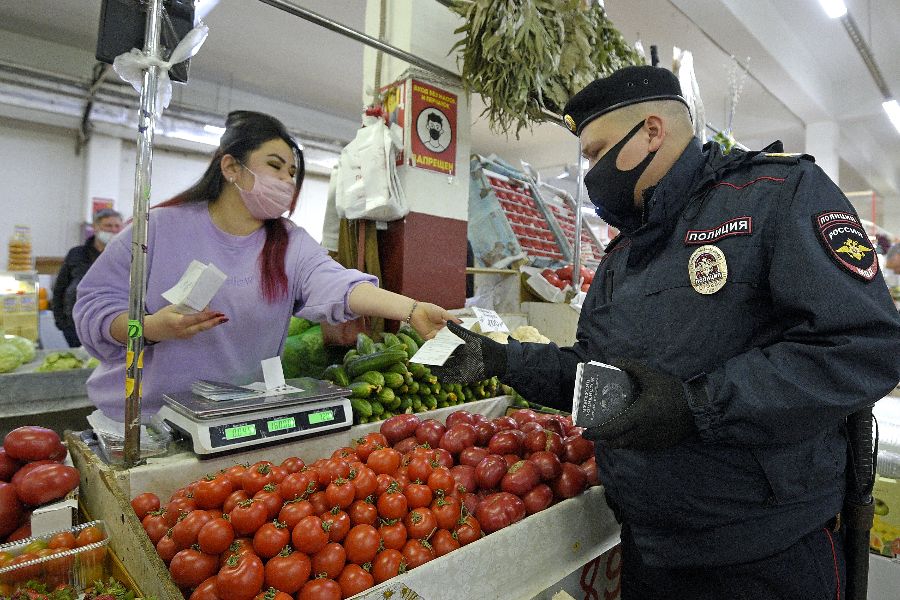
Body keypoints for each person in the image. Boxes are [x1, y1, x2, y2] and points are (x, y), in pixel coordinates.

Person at [432, 66, 900, 599]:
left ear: (652, 131)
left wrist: (696, 404)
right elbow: (599, 379)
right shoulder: (623, 256)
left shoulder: (776, 195)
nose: (591, 173)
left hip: (764, 560)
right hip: (651, 553)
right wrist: (503, 360)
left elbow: (862, 347)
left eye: (596, 152)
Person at [74, 110, 455, 421]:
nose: (286, 180)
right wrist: (152, 328)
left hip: (233, 418)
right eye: (275, 166)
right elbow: (93, 308)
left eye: (292, 173)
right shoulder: (156, 228)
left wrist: (411, 309)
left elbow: (340, 285)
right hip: (144, 418)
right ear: (231, 168)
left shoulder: (289, 243)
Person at [52, 208, 123, 347]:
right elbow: (60, 288)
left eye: (117, 226)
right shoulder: (77, 254)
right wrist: (61, 322)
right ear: (96, 227)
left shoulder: (125, 256)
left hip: (110, 326)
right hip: (74, 325)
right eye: (108, 226)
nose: (113, 230)